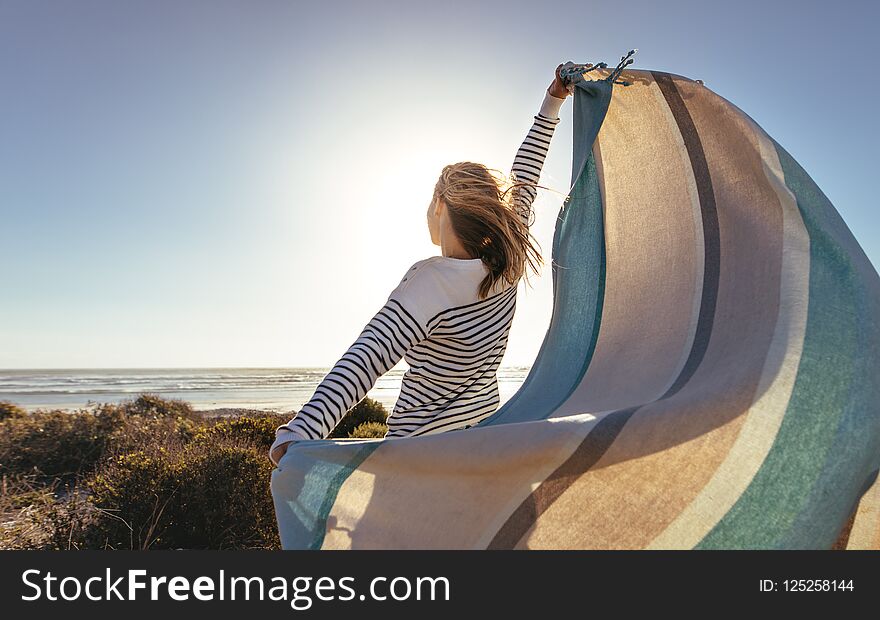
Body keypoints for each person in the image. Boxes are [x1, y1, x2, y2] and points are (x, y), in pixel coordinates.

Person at [269, 64, 571, 466]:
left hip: (417, 459)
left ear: (440, 205)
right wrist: (553, 101)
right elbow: (526, 175)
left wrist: (302, 431)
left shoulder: (431, 281)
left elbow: (364, 361)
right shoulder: (509, 260)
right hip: (483, 444)